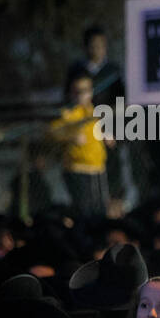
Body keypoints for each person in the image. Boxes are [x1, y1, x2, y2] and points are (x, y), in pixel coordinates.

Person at [49, 75, 111, 221]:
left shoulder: (94, 111)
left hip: (97, 168)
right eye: (77, 91)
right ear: (71, 93)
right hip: (77, 168)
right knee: (84, 210)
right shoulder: (68, 114)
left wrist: (105, 135)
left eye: (85, 91)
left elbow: (95, 132)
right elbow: (53, 132)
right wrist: (70, 136)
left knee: (100, 209)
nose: (81, 95)